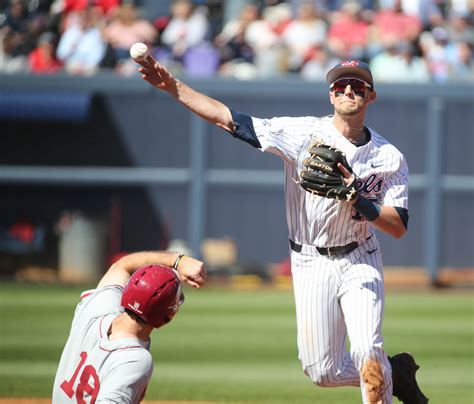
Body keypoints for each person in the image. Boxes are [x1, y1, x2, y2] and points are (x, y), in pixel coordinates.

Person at [134, 55, 429, 404]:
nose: (348, 89)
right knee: (322, 371)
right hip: (309, 262)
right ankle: (397, 374)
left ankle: (381, 373)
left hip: (359, 257)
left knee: (367, 349)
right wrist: (173, 86)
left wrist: (358, 198)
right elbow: (229, 120)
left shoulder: (389, 157)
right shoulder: (303, 133)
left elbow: (397, 227)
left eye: (358, 85)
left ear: (371, 95)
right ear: (331, 95)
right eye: (340, 84)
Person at [52, 250, 207, 402]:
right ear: (166, 317)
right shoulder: (135, 360)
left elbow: (123, 266)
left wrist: (179, 261)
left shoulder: (97, 308)